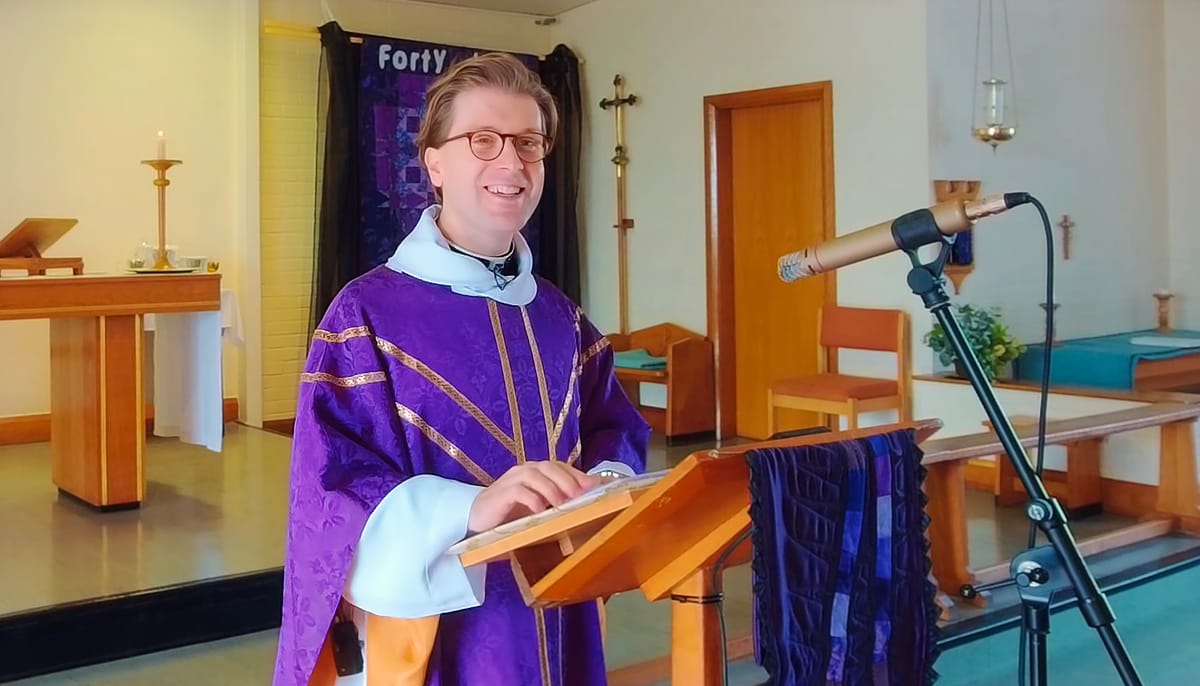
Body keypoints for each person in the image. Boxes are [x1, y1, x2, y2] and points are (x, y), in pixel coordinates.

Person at [272, 52, 651, 686]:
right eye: (483, 140)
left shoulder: (560, 315)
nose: (512, 163)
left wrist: (607, 483)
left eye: (529, 143)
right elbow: (331, 490)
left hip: (561, 607)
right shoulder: (365, 315)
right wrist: (469, 508)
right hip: (441, 629)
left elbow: (613, 424)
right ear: (435, 162)